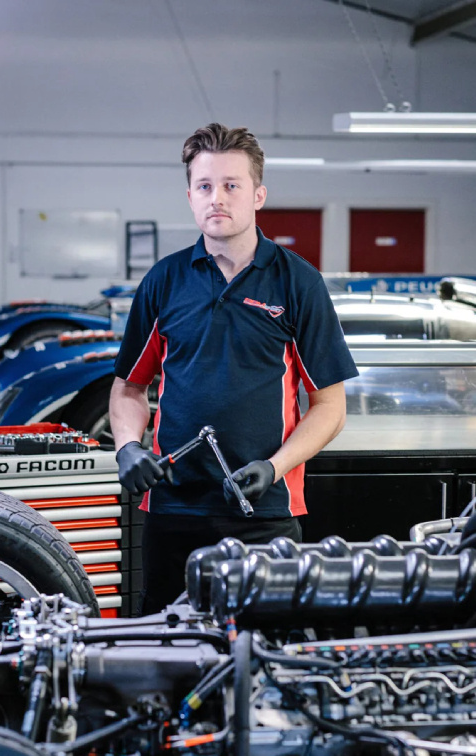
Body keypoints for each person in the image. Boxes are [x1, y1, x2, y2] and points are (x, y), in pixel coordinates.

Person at [109, 122, 358, 615]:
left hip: (264, 511)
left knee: (261, 644)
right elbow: (129, 389)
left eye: (231, 185)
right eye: (204, 186)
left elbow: (330, 407)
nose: (217, 198)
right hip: (173, 510)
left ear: (258, 195)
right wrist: (127, 448)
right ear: (190, 197)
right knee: (165, 640)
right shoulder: (164, 280)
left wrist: (274, 467)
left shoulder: (298, 282)